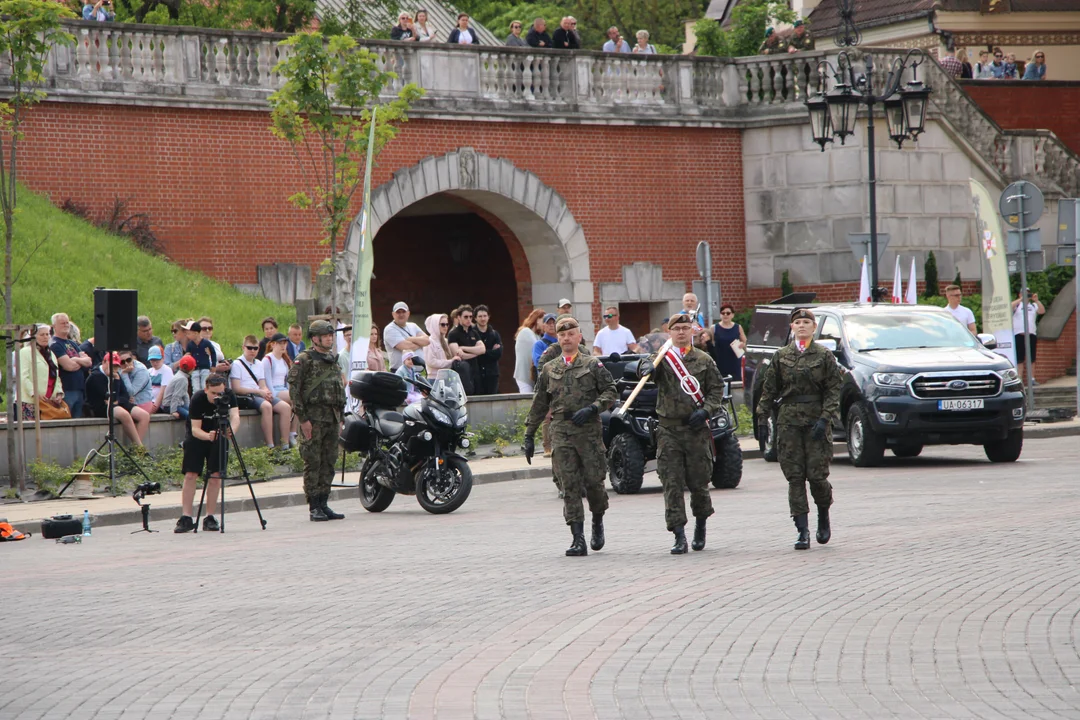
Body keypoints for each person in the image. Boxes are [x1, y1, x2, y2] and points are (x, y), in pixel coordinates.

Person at [524, 315, 618, 556]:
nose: (566, 338)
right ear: (558, 337)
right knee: (569, 485)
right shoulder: (549, 368)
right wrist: (529, 433)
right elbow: (539, 403)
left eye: (570, 334)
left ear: (579, 337)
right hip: (561, 431)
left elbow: (610, 391)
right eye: (562, 334)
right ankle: (578, 538)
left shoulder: (592, 365)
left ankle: (597, 520)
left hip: (588, 431)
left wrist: (593, 408)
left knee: (594, 484)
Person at [635, 312, 724, 553]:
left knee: (699, 482)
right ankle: (678, 535)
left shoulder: (704, 360)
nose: (682, 332)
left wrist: (706, 411)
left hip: (695, 430)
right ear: (670, 332)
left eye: (686, 328)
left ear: (692, 330)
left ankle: (701, 526)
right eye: (677, 329)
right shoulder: (663, 358)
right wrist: (646, 368)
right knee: (671, 483)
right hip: (669, 430)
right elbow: (644, 368)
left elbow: (717, 390)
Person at [755, 308, 842, 550]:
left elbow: (833, 389)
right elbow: (769, 389)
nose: (802, 326)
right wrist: (762, 418)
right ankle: (802, 530)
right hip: (789, 422)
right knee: (795, 477)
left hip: (816, 421)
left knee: (817, 477)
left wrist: (826, 419)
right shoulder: (781, 356)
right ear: (791, 328)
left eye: (806, 322)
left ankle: (823, 512)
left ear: (814, 328)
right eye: (797, 322)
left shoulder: (824, 355)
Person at [287, 320, 347, 522]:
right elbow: (294, 392)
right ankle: (314, 506)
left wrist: (341, 418)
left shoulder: (332, 360)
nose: (330, 338)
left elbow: (339, 390)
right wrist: (303, 420)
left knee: (329, 461)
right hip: (313, 419)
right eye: (326, 335)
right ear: (315, 338)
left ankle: (324, 502)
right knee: (313, 462)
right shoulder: (304, 360)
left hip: (332, 418)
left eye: (331, 335)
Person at [173, 373, 239, 533]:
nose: (217, 397)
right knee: (191, 474)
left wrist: (231, 431)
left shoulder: (229, 395)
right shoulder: (198, 398)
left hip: (220, 436)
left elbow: (235, 416)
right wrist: (208, 436)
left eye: (220, 393)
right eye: (213, 393)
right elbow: (195, 429)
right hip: (198, 437)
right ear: (206, 389)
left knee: (215, 476)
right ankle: (186, 516)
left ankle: (210, 516)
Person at [231, 334, 290, 450]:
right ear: (243, 347)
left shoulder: (258, 363)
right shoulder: (237, 364)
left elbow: (262, 384)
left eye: (255, 348)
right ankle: (270, 445)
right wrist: (259, 392)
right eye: (249, 348)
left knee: (286, 407)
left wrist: (266, 392)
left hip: (258, 393)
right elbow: (236, 388)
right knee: (267, 406)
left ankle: (285, 444)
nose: (252, 351)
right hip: (246, 395)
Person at [86, 353, 149, 446]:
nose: (114, 368)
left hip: (118, 403)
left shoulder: (117, 374)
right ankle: (140, 449)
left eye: (116, 366)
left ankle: (135, 448)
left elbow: (125, 395)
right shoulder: (95, 377)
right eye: (112, 365)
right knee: (124, 414)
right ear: (104, 362)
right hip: (101, 406)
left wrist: (117, 398)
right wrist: (116, 380)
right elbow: (109, 397)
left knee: (144, 415)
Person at [18, 324, 66, 420]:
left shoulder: (51, 354)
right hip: (31, 402)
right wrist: (34, 392)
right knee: (31, 431)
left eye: (47, 334)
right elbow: (23, 377)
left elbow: (56, 376)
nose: (45, 337)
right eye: (42, 335)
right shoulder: (25, 352)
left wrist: (59, 393)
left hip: (49, 402)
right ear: (33, 337)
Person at [50, 312, 92, 418]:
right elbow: (69, 366)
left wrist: (75, 359)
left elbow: (89, 362)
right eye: (62, 323)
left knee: (77, 420)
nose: (66, 325)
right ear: (54, 326)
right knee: (66, 418)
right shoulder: (55, 344)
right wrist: (80, 361)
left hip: (79, 389)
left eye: (67, 322)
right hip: (66, 390)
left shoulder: (72, 343)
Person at [447, 304, 485, 391]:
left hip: (476, 371)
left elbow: (483, 349)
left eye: (470, 317)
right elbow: (460, 355)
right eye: (466, 317)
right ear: (459, 317)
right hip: (462, 373)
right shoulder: (453, 334)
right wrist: (476, 353)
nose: (469, 319)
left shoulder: (474, 332)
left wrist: (463, 348)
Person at [1012, 289, 1046, 384]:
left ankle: (1032, 379)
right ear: (1019, 294)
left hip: (1031, 334)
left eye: (1028, 294)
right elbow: (1009, 307)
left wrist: (1036, 300)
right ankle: (1019, 379)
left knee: (1032, 358)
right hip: (1019, 334)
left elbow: (1042, 311)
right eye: (1024, 294)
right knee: (1020, 358)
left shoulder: (1033, 306)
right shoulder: (1018, 305)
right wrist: (1021, 299)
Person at [384, 301, 430, 371]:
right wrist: (420, 343)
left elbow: (427, 340)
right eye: (398, 312)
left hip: (417, 372)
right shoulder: (390, 329)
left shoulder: (413, 326)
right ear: (393, 314)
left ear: (408, 313)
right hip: (400, 372)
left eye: (403, 312)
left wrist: (410, 339)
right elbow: (406, 347)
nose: (401, 314)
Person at [708, 303, 746, 380]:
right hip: (720, 361)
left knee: (735, 383)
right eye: (723, 313)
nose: (725, 315)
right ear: (720, 315)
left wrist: (742, 344)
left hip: (734, 361)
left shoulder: (738, 327)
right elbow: (710, 344)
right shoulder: (714, 328)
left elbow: (745, 342)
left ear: (732, 315)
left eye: (728, 313)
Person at [474, 305, 503, 395]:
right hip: (476, 374)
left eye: (485, 316)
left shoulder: (494, 334)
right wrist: (490, 351)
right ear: (475, 318)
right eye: (480, 316)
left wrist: (481, 351)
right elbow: (473, 354)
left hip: (492, 374)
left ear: (488, 317)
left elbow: (498, 353)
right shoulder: (472, 333)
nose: (483, 319)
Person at [514, 309, 545, 393]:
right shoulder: (526, 332)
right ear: (537, 319)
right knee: (527, 402)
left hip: (530, 376)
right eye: (543, 321)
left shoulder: (537, 335)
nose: (544, 324)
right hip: (524, 375)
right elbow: (538, 348)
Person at [119, 350, 155, 415]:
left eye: (128, 360)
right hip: (127, 402)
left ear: (132, 358)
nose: (126, 363)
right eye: (122, 362)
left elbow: (131, 392)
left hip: (141, 403)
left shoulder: (141, 370)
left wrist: (124, 374)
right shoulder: (119, 367)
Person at [183, 320, 215, 393]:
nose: (187, 335)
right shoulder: (190, 344)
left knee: (204, 385)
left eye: (189, 333)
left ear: (196, 333)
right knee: (196, 387)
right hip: (194, 369)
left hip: (205, 367)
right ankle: (197, 400)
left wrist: (213, 365)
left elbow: (213, 353)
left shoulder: (206, 343)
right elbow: (188, 355)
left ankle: (204, 399)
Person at [162, 354, 194, 420]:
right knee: (190, 417)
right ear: (192, 368)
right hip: (170, 406)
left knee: (194, 413)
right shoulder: (182, 379)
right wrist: (173, 411)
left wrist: (187, 406)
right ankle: (190, 430)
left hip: (177, 404)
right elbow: (176, 396)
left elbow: (185, 394)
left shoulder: (180, 375)